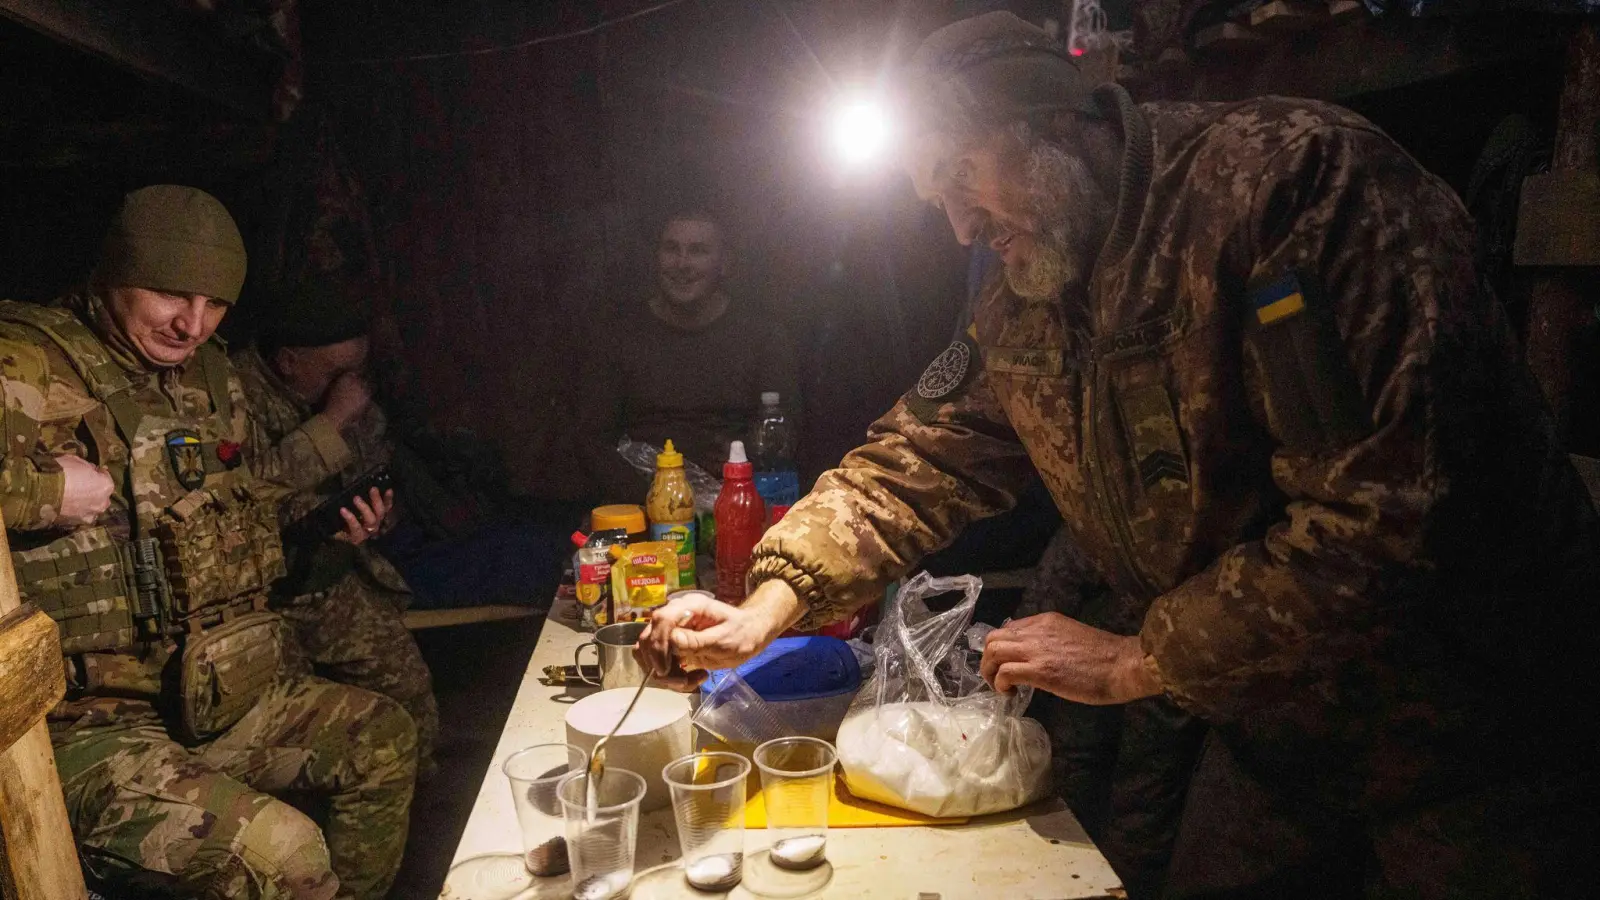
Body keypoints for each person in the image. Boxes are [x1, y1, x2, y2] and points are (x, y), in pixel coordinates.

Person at [639, 13, 1600, 900]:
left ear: (1052, 124)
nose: (961, 228)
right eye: (935, 199)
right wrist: (765, 606)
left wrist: (1140, 658)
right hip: (1278, 723)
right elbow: (920, 454)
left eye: (963, 176)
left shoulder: (1291, 189)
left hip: (1479, 729)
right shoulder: (1029, 287)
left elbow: (1387, 516)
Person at [0, 185, 416, 899]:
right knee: (284, 853)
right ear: (115, 275)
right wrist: (43, 492)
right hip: (91, 724)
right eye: (169, 294)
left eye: (215, 304)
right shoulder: (29, 360)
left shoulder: (211, 375)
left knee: (384, 737)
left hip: (216, 693)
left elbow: (253, 507)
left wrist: (342, 528)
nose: (192, 323)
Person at [232, 277, 440, 775]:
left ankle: (423, 808)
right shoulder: (231, 394)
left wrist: (381, 514)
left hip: (331, 576)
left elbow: (374, 463)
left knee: (410, 691)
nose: (352, 384)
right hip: (259, 594)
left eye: (357, 370)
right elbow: (246, 496)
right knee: (296, 734)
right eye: (337, 371)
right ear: (288, 361)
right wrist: (332, 420)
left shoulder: (350, 394)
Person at [581, 207, 800, 495]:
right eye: (672, 249)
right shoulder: (620, 335)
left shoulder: (761, 336)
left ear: (725, 263)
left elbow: (784, 437)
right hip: (640, 503)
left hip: (737, 502)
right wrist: (655, 500)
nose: (682, 264)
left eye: (698, 251)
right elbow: (592, 440)